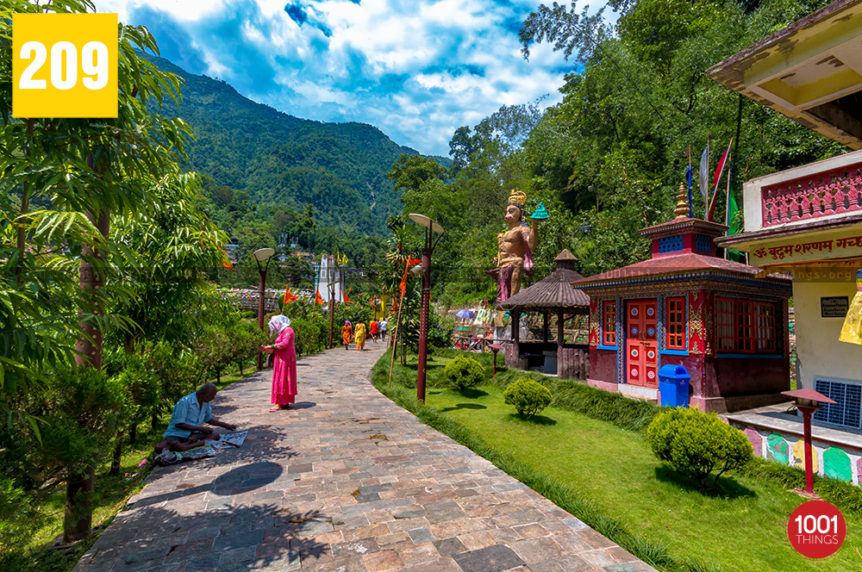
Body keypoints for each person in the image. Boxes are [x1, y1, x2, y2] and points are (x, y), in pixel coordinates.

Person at [487, 190, 539, 302]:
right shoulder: (506, 232)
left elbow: (531, 245)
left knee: (510, 298)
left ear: (521, 212)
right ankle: (504, 313)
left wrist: (534, 226)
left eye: (512, 211)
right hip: (502, 266)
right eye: (507, 212)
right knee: (501, 298)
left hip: (514, 264)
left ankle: (513, 303)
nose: (507, 215)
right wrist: (498, 258)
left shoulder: (523, 228)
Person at [156, 383, 236, 453]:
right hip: (177, 433)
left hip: (193, 434)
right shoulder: (185, 402)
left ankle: (187, 445)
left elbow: (209, 419)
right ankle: (187, 444)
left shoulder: (205, 402)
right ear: (204, 394)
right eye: (212, 395)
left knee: (215, 435)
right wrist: (200, 429)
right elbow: (179, 424)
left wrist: (226, 425)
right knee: (160, 448)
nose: (213, 398)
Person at [260, 315, 297, 412]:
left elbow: (284, 345)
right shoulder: (281, 332)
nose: (275, 326)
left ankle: (279, 403)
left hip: (286, 359)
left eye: (276, 323)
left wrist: (271, 346)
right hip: (280, 358)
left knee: (283, 378)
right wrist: (266, 349)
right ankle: (283, 402)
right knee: (281, 378)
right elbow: (276, 349)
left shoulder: (288, 330)